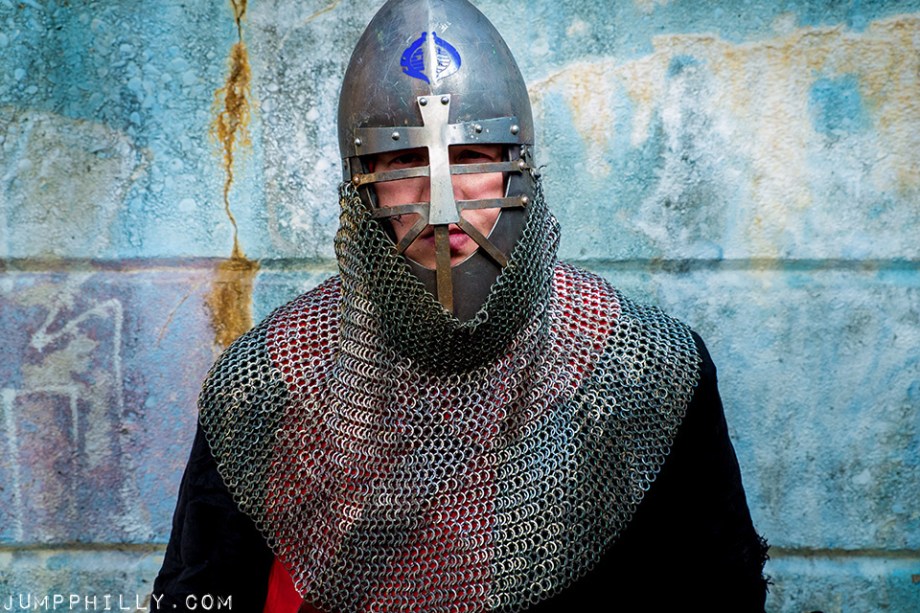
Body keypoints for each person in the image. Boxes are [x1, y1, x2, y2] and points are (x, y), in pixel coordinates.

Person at [152, 0, 769, 611]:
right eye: (404, 159)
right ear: (363, 185)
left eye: (470, 156)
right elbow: (199, 596)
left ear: (516, 171)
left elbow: (718, 595)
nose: (439, 200)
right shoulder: (270, 381)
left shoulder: (641, 365)